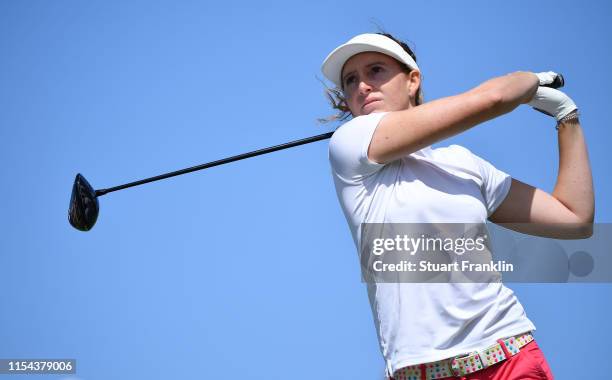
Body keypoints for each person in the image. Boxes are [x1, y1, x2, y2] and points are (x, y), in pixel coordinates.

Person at [320, 33, 594, 380]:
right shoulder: (349, 144)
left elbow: (575, 219)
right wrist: (530, 81)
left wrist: (566, 117)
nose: (362, 86)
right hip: (419, 371)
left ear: (412, 81)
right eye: (350, 80)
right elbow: (493, 98)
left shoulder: (464, 164)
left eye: (375, 70)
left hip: (508, 358)